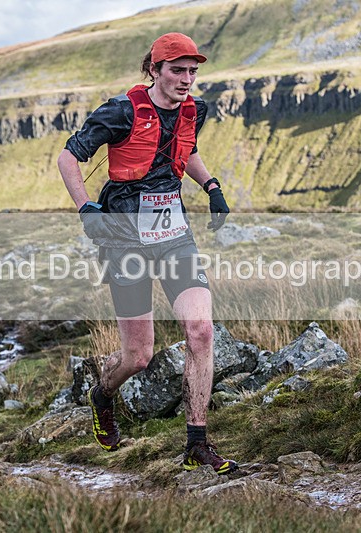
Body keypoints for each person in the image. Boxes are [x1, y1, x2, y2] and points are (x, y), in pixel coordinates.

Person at [57, 32, 236, 475]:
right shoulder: (120, 111)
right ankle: (102, 393)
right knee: (138, 356)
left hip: (172, 231)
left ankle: (197, 441)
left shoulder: (196, 109)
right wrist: (86, 209)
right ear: (154, 70)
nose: (187, 79)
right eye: (177, 70)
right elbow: (67, 158)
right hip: (123, 236)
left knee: (199, 329)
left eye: (193, 71)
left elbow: (185, 150)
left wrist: (210, 186)